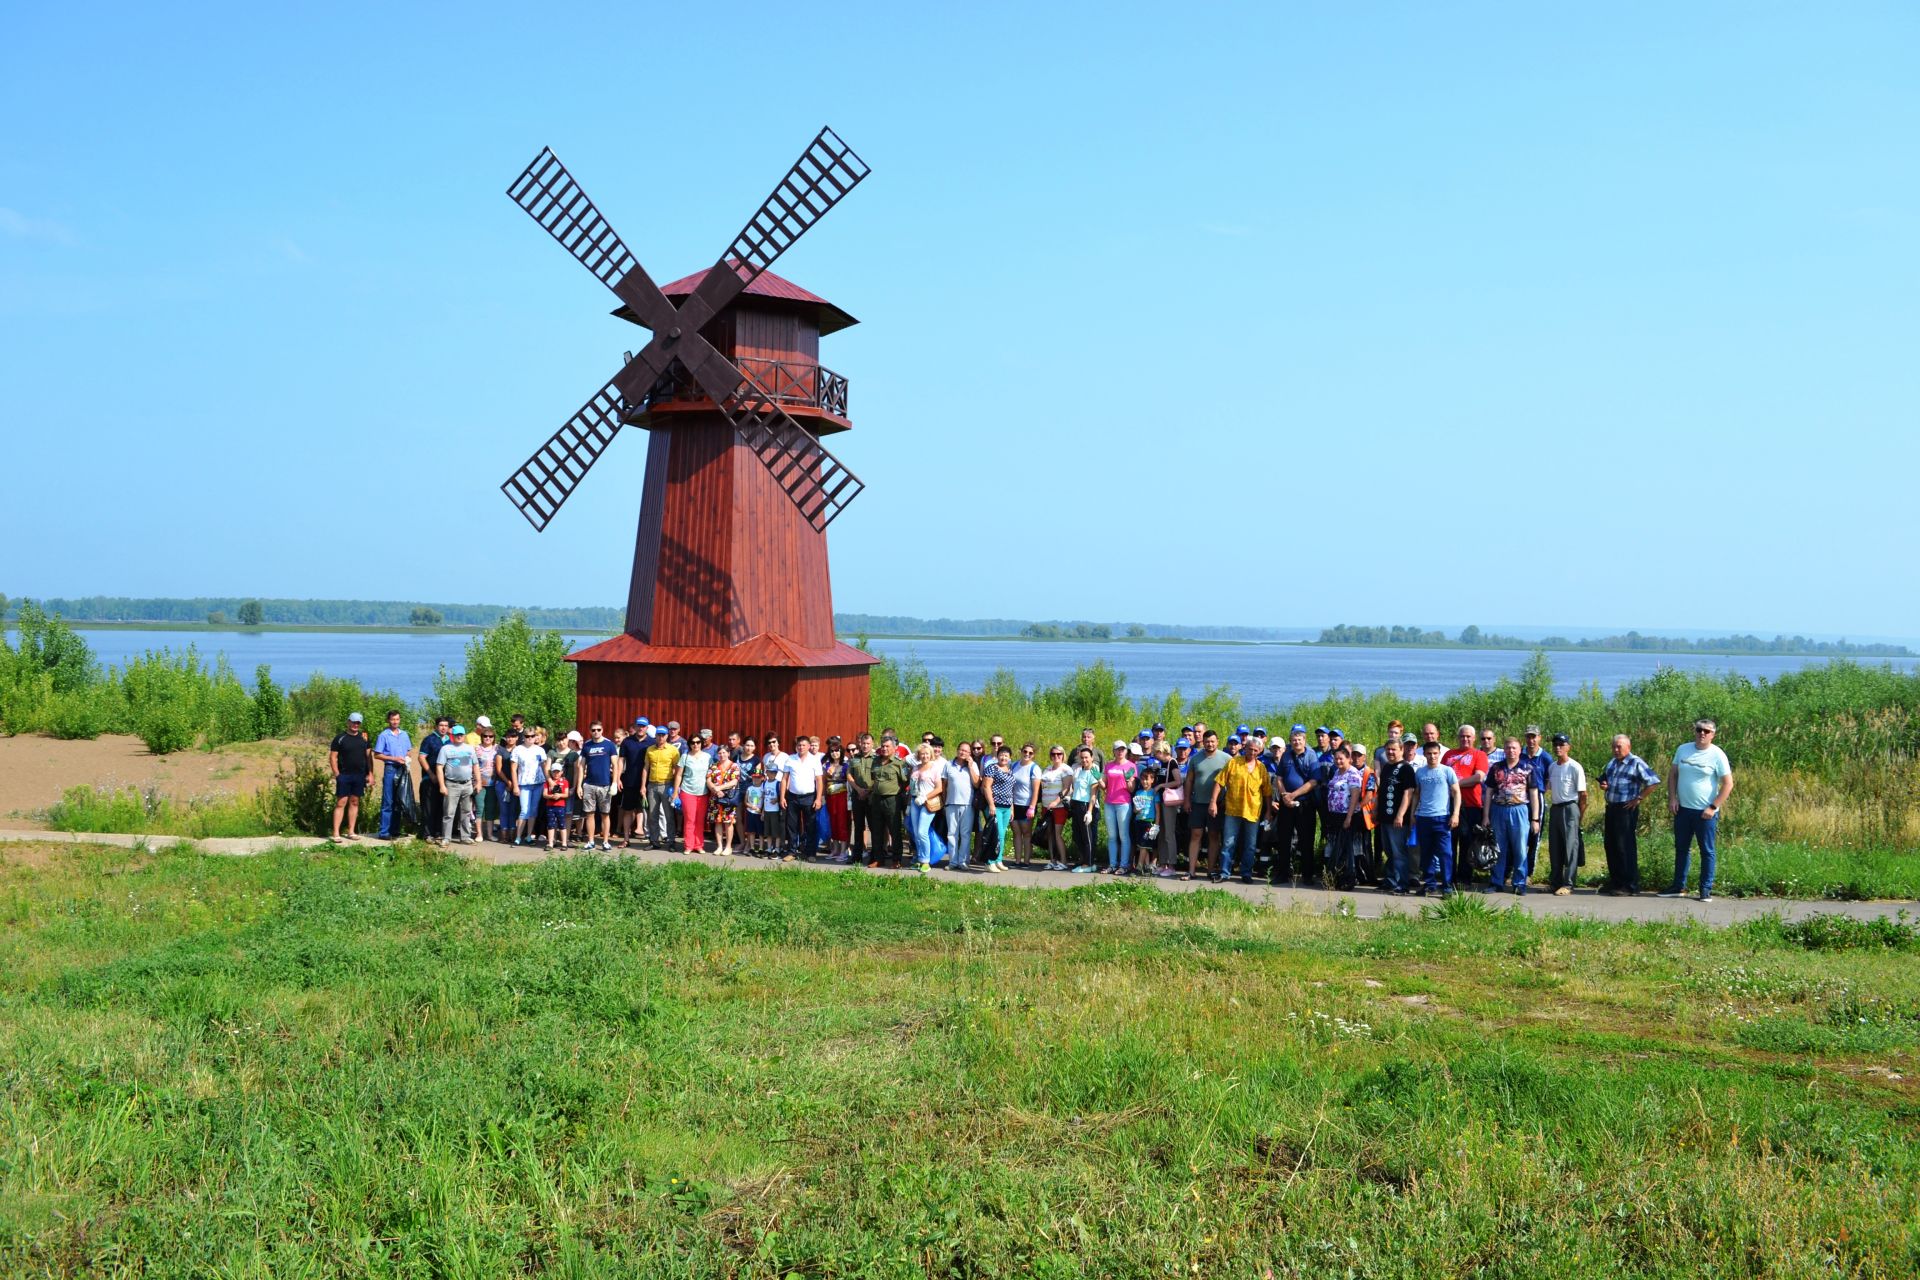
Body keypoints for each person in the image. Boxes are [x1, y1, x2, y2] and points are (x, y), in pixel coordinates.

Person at [1661, 718, 1733, 902]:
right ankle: (1679, 886)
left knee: (1707, 851)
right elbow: (1673, 774)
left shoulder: (1717, 755)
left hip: (1705, 813)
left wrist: (1713, 806)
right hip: (1683, 810)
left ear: (1713, 735)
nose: (1702, 733)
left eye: (1707, 731)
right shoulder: (1683, 749)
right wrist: (1672, 798)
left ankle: (1705, 889)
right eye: (1699, 730)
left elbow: (1728, 784)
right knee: (1681, 849)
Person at [1597, 734, 1661, 895]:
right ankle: (1616, 882)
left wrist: (1639, 798)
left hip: (1626, 809)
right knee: (1610, 845)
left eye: (1619, 746)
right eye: (1614, 746)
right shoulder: (1612, 763)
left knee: (1624, 846)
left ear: (1628, 747)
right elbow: (1609, 783)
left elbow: (1653, 781)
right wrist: (1605, 785)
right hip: (1611, 807)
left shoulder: (1636, 762)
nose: (1616, 750)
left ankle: (1629, 885)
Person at [1401, 740, 1461, 895]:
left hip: (1442, 817)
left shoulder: (1447, 771)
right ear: (1425, 754)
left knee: (1445, 853)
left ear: (1439, 754)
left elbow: (1456, 792)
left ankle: (1447, 885)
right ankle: (1429, 884)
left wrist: (1455, 814)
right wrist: (1413, 814)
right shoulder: (1420, 772)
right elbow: (1416, 794)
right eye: (1429, 753)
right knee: (1426, 853)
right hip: (1423, 817)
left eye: (1435, 753)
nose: (1432, 756)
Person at [1484, 736, 1541, 894]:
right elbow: (1488, 792)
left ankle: (1519, 883)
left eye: (1514, 748)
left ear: (1519, 749)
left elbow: (1534, 794)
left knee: (1520, 848)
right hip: (1498, 809)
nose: (1511, 751)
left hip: (1519, 810)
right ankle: (1496, 882)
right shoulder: (1496, 768)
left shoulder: (1528, 767)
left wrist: (1535, 819)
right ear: (1504, 749)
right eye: (1508, 748)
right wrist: (1486, 816)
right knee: (1498, 848)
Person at [1214, 735, 1270, 884]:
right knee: (1228, 843)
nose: (1252, 752)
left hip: (1253, 811)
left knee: (1250, 846)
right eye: (1250, 749)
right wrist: (1213, 802)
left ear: (1259, 751)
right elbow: (1219, 782)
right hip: (1233, 810)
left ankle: (1246, 873)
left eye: (1255, 750)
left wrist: (1269, 811)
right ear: (1244, 748)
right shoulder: (1233, 763)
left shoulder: (1262, 768)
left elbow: (1267, 792)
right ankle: (1224, 873)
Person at [1273, 726, 1321, 885]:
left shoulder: (1311, 756)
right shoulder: (1286, 755)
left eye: (1299, 740)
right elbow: (1279, 778)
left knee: (1306, 840)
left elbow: (1314, 781)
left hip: (1304, 804)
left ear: (1305, 740)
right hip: (1286, 803)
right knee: (1284, 839)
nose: (1296, 743)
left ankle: (1307, 875)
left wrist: (1294, 795)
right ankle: (1283, 874)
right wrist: (1285, 795)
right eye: (1293, 740)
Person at [1441, 724, 1489, 881]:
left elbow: (1479, 777)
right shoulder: (1449, 754)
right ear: (1458, 737)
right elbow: (1440, 774)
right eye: (1462, 736)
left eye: (1468, 736)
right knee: (1449, 842)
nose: (1465, 739)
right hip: (1448, 804)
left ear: (1474, 738)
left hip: (1470, 805)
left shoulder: (1479, 755)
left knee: (1467, 842)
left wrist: (1455, 785)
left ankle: (1464, 878)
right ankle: (1449, 877)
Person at [1544, 733, 1588, 894]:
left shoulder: (1575, 767)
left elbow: (1583, 794)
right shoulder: (1553, 766)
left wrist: (1579, 815)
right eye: (1555, 744)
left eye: (1561, 744)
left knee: (1571, 846)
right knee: (1554, 847)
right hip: (1556, 808)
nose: (1558, 748)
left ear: (1568, 747)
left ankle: (1568, 883)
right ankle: (1555, 882)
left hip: (1570, 807)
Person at [1183, 730, 1229, 881]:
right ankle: (1191, 871)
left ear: (1218, 741)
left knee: (1214, 836)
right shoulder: (1195, 759)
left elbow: (1231, 783)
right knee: (1195, 835)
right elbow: (1189, 780)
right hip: (1197, 803)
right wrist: (1187, 800)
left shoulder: (1226, 759)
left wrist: (1224, 801)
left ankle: (1210, 871)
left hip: (1217, 805)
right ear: (1202, 741)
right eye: (1207, 741)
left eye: (1212, 741)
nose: (1210, 744)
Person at [1377, 735, 1420, 893]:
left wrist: (1400, 815)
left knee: (1399, 852)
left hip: (1397, 819)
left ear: (1401, 750)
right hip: (1385, 817)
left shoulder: (1406, 768)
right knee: (1388, 851)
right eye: (1388, 749)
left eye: (1394, 749)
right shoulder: (1387, 767)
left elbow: (1408, 793)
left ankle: (1403, 884)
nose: (1390, 752)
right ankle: (1390, 880)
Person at [1324, 745, 1368, 889]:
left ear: (1348, 759)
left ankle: (1347, 880)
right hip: (1334, 815)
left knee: (1345, 849)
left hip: (1346, 816)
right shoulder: (1337, 772)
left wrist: (1349, 817)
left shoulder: (1353, 774)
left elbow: (1355, 796)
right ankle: (1334, 879)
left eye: (1341, 758)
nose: (1338, 761)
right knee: (1335, 848)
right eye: (1336, 758)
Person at [865, 737, 911, 868]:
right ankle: (878, 858)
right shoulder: (875, 761)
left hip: (892, 800)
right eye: (883, 746)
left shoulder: (899, 763)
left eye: (887, 746)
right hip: (877, 799)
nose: (884, 749)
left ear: (894, 748)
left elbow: (905, 780)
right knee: (877, 830)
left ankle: (897, 860)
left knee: (894, 830)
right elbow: (873, 778)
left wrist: (896, 791)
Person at [780, 734, 825, 862]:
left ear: (809, 746)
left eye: (804, 745)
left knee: (810, 825)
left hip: (809, 797)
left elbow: (819, 781)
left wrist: (818, 799)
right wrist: (782, 797)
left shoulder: (814, 760)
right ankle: (792, 852)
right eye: (799, 745)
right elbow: (784, 779)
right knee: (792, 826)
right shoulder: (790, 759)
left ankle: (810, 853)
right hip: (793, 797)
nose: (801, 747)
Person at [328, 711, 372, 841]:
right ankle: (336, 833)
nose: (355, 725)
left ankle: (351, 831)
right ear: (348, 722)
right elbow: (333, 757)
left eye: (358, 722)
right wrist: (337, 774)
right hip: (344, 775)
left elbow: (369, 758)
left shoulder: (364, 738)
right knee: (341, 802)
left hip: (359, 775)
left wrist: (370, 774)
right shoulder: (339, 738)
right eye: (353, 722)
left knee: (355, 802)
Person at [577, 721, 620, 852]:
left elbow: (616, 765)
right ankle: (591, 841)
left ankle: (605, 842)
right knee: (589, 814)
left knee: (605, 814)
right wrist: (579, 785)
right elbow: (581, 766)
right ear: (590, 731)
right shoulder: (587, 746)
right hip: (589, 784)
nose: (596, 732)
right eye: (593, 730)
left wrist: (614, 782)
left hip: (605, 785)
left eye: (598, 730)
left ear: (602, 730)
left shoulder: (609, 745)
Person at [434, 724, 479, 844]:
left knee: (466, 811)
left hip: (467, 784)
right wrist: (442, 785)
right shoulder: (446, 749)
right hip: (451, 784)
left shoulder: (469, 749)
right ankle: (446, 838)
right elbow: (439, 767)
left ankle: (465, 836)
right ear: (452, 736)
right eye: (456, 735)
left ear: (464, 735)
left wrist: (478, 782)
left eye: (461, 734)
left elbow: (475, 765)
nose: (459, 737)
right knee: (449, 812)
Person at [671, 732, 714, 854]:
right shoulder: (685, 757)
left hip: (703, 793)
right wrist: (675, 792)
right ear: (689, 744)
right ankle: (688, 845)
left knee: (700, 820)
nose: (695, 745)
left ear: (701, 743)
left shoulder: (708, 757)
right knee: (690, 819)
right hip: (687, 791)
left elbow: (711, 774)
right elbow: (679, 775)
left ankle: (699, 845)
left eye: (698, 742)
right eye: (693, 742)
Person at [373, 710, 412, 840]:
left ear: (400, 720)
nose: (395, 722)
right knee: (388, 801)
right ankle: (384, 832)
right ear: (388, 720)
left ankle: (395, 830)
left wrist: (407, 758)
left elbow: (408, 751)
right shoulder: (384, 735)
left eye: (397, 719)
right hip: (390, 768)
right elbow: (377, 754)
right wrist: (394, 758)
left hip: (402, 768)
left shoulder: (404, 735)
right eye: (392, 719)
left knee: (399, 799)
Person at [1099, 741, 1138, 874]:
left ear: (1126, 751)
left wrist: (1128, 780)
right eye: (1117, 749)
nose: (1120, 752)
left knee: (1124, 835)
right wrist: (1098, 779)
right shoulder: (1109, 765)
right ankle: (1112, 864)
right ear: (1114, 751)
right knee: (1111, 836)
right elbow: (1104, 786)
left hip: (1123, 803)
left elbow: (1131, 789)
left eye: (1122, 749)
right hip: (1109, 803)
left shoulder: (1131, 766)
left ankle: (1123, 865)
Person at [979, 744, 1019, 872]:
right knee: (994, 835)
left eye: (1006, 755)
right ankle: (989, 862)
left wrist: (1012, 808)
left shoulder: (1010, 770)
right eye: (1001, 755)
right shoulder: (992, 768)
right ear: (997, 756)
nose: (1003, 757)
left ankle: (998, 860)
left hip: (1007, 807)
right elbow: (986, 787)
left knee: (1002, 836)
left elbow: (1011, 791)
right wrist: (991, 804)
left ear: (1010, 758)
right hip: (995, 806)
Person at [942, 740, 981, 871]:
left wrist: (970, 766)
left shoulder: (973, 765)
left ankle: (963, 861)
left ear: (970, 753)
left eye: (966, 751)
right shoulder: (948, 765)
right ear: (957, 750)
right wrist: (944, 802)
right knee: (952, 834)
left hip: (967, 804)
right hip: (951, 803)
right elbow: (944, 785)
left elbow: (976, 784)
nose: (963, 752)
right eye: (961, 750)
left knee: (965, 833)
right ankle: (953, 861)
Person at [908, 743, 946, 874]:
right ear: (918, 755)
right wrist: (910, 803)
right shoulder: (915, 768)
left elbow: (939, 788)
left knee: (922, 831)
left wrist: (925, 797)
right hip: (914, 802)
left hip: (928, 803)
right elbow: (912, 787)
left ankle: (925, 861)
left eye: (927, 754)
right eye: (922, 753)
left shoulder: (934, 769)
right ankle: (919, 858)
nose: (924, 756)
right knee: (915, 832)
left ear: (931, 755)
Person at [1037, 745, 1074, 870]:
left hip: (1059, 806)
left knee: (1058, 834)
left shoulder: (1066, 770)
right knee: (1049, 834)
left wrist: (1056, 801)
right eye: (1053, 754)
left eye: (1059, 754)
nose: (1056, 756)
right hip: (1046, 806)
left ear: (1063, 755)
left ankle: (1063, 861)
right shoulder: (1047, 769)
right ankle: (1052, 860)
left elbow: (1066, 788)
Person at [644, 727, 680, 849]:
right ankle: (654, 841)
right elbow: (646, 768)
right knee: (652, 814)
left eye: (663, 735)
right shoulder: (650, 749)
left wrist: (676, 789)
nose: (660, 737)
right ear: (655, 736)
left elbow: (677, 770)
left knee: (669, 814)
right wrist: (643, 786)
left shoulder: (673, 750)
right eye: (658, 735)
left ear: (666, 736)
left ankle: (671, 842)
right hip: (652, 785)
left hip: (667, 784)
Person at [511, 727, 549, 846]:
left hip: (538, 783)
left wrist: (549, 781)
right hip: (524, 784)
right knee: (524, 810)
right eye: (527, 736)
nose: (530, 738)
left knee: (533, 810)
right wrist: (515, 786)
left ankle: (528, 836)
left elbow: (544, 767)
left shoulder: (540, 750)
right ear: (524, 737)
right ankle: (518, 837)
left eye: (532, 736)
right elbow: (513, 769)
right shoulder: (518, 749)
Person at [1067, 746, 1102, 872]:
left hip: (1086, 805)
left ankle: (1089, 863)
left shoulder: (1093, 771)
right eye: (1082, 758)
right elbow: (1074, 788)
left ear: (1092, 758)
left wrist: (1089, 812)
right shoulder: (1079, 771)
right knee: (1077, 835)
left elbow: (1093, 794)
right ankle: (1084, 860)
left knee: (1087, 836)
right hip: (1076, 804)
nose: (1084, 760)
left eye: (1086, 757)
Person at [618, 718, 649, 846]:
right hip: (629, 781)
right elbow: (621, 760)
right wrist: (618, 778)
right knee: (627, 810)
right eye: (639, 726)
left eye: (643, 726)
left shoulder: (652, 742)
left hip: (647, 782)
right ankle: (626, 839)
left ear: (647, 728)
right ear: (635, 727)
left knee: (649, 810)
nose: (641, 728)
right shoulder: (627, 741)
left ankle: (652, 839)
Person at [419, 716, 450, 841]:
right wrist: (431, 774)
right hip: (430, 778)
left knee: (441, 806)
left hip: (445, 779)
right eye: (441, 725)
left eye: (446, 726)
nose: (443, 728)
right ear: (436, 726)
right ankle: (427, 833)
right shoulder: (429, 740)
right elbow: (421, 758)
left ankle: (438, 832)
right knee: (429, 806)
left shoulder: (449, 741)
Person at [823, 739, 852, 861]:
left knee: (842, 822)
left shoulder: (846, 765)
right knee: (832, 822)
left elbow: (849, 781)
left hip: (842, 796)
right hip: (830, 797)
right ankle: (835, 849)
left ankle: (844, 850)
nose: (835, 753)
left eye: (837, 750)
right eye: (832, 751)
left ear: (841, 752)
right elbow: (823, 781)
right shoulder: (826, 765)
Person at [709, 746, 740, 856]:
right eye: (720, 753)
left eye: (724, 752)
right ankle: (719, 846)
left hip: (728, 799)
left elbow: (734, 781)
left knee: (728, 822)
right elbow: (708, 780)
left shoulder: (734, 766)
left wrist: (720, 788)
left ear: (728, 753)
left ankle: (728, 847)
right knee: (717, 822)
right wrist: (716, 790)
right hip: (715, 798)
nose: (722, 755)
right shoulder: (713, 766)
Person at [474, 721, 501, 842]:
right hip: (480, 783)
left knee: (490, 809)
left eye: (490, 736)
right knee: (480, 808)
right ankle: (479, 834)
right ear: (482, 737)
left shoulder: (497, 748)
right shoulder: (476, 749)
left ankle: (489, 834)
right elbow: (472, 766)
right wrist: (475, 781)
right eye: (485, 736)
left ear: (494, 738)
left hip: (493, 783)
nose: (488, 738)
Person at [542, 762, 572, 850]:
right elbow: (544, 794)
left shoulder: (565, 782)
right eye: (554, 772)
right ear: (551, 772)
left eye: (558, 772)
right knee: (551, 824)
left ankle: (564, 843)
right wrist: (551, 796)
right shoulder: (548, 782)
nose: (556, 774)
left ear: (561, 772)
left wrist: (559, 795)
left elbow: (566, 794)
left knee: (562, 824)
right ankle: (550, 843)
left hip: (560, 806)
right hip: (550, 806)